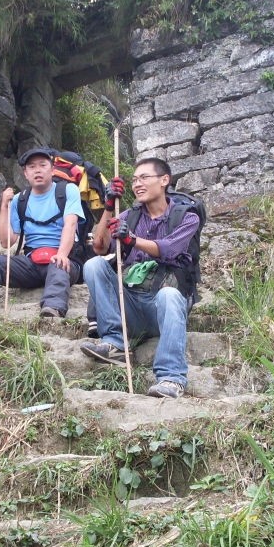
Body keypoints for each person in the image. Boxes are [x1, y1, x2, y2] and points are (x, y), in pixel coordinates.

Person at [80, 158, 199, 398]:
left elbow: (170, 249)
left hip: (163, 307)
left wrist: (132, 240)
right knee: (94, 266)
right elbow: (100, 246)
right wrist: (108, 205)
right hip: (131, 305)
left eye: (144, 177)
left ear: (164, 180)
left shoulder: (187, 217)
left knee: (169, 295)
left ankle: (171, 378)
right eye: (134, 180)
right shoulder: (129, 216)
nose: (137, 184)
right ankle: (115, 342)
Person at [0, 148, 84, 317]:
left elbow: (70, 224)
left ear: (52, 169)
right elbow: (7, 242)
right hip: (31, 263)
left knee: (59, 265)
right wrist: (4, 206)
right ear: (25, 173)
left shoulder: (67, 190)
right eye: (31, 167)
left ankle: (52, 310)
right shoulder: (20, 200)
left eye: (42, 165)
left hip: (64, 260)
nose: (37, 170)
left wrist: (62, 254)